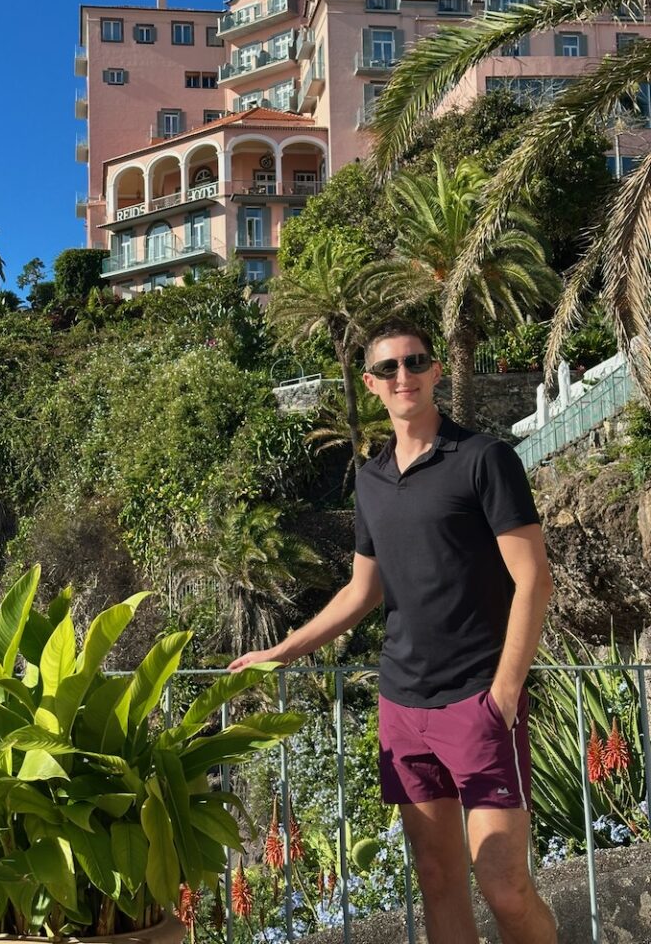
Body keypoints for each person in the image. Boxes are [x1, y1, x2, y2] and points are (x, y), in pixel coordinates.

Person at [229, 319, 558, 944]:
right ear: (371, 384)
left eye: (415, 362)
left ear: (435, 371)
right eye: (387, 368)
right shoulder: (371, 480)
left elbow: (533, 578)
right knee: (437, 877)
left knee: (505, 887)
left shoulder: (484, 459)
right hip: (403, 706)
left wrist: (506, 695)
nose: (402, 376)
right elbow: (363, 590)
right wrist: (282, 650)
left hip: (480, 703)